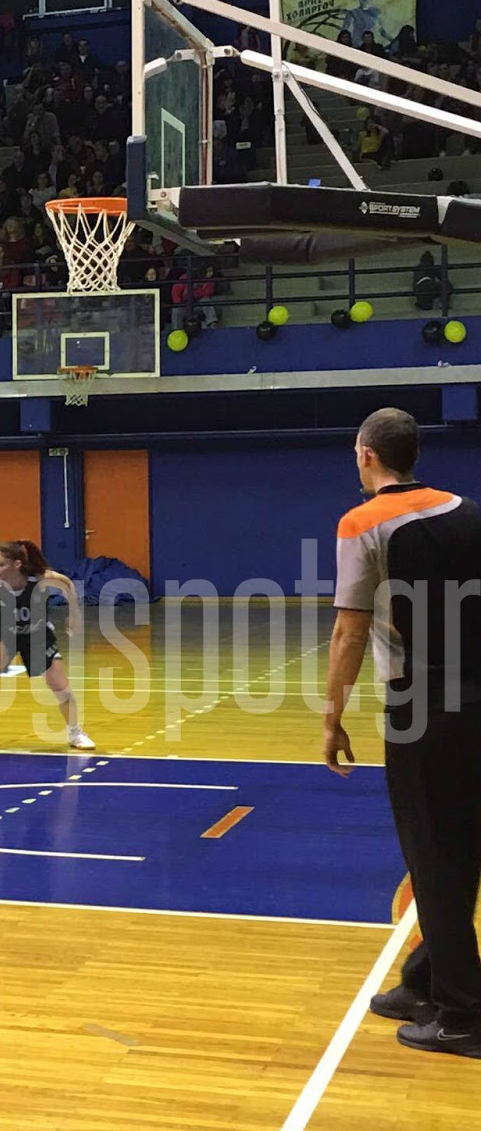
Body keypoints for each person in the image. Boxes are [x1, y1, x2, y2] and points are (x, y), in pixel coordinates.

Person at [324, 407, 481, 1059]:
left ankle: (463, 1016)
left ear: (366, 455)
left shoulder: (362, 523)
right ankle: (425, 983)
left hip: (422, 707)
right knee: (457, 850)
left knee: (432, 859)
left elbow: (349, 629)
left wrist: (331, 716)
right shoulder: (469, 511)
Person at [0, 540, 94, 754]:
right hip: (3, 632)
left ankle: (75, 733)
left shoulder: (39, 579)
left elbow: (67, 583)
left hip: (36, 632)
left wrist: (74, 613)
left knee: (60, 684)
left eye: (0, 564)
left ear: (17, 564)